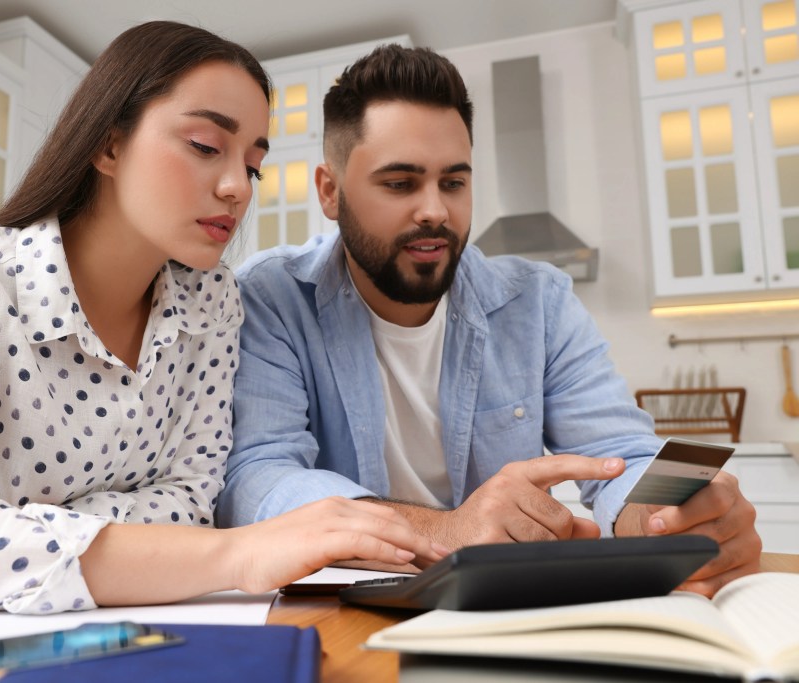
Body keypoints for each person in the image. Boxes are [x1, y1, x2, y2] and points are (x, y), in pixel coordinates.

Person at [0, 22, 444, 648]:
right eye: (207, 147)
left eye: (254, 163)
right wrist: (238, 551)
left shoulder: (210, 306)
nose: (237, 186)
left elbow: (189, 501)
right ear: (108, 141)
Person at [217, 44, 761, 597]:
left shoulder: (540, 303)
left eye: (453, 182)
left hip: (503, 606)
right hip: (341, 610)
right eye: (400, 183)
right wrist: (446, 530)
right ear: (330, 193)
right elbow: (257, 479)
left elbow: (623, 454)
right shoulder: (272, 297)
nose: (434, 210)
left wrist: (665, 519)